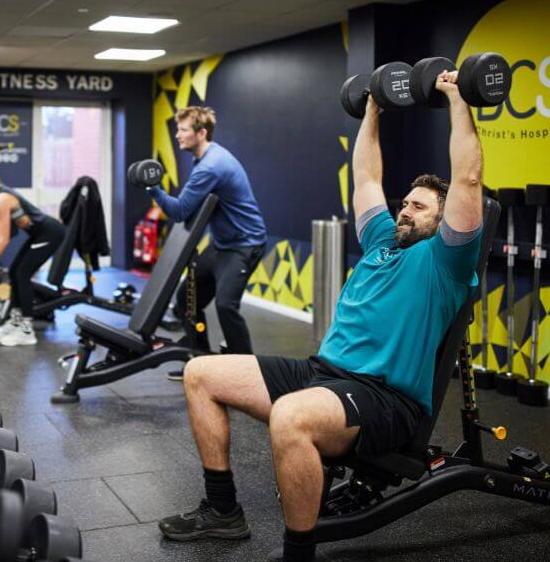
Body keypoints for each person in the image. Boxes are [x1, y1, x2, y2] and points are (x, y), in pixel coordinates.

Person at [157, 69, 484, 561]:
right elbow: (367, 175)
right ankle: (223, 512)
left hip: (382, 397)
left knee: (289, 417)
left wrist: (459, 99)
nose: (405, 211)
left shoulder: (446, 262)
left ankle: (299, 551)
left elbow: (469, 178)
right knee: (201, 373)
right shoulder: (380, 243)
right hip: (322, 373)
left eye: (419, 208)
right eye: (405, 203)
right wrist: (372, 108)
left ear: (443, 221)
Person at [148, 106, 267, 380]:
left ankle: (250, 374)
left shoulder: (211, 166)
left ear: (201, 133)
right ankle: (197, 354)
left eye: (183, 130)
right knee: (186, 298)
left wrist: (151, 186)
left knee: (226, 305)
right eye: (177, 130)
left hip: (244, 245)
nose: (177, 135)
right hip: (222, 244)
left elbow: (179, 211)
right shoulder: (206, 158)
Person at [0, 162, 65, 346]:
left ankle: (26, 330)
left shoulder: (2, 198)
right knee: (15, 271)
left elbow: (4, 239)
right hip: (38, 234)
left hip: (51, 233)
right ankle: (15, 321)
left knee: (22, 274)